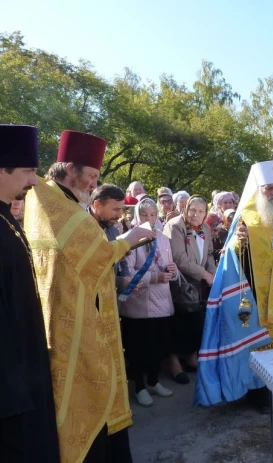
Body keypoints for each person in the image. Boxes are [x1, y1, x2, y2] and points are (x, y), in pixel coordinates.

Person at [24, 130, 156, 462]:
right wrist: (132, 238)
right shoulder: (59, 205)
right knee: (88, 391)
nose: (93, 183)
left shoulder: (53, 200)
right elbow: (97, 255)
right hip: (73, 320)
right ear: (71, 168)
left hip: (76, 308)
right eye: (92, 176)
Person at [195, 160, 273, 408]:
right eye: (269, 189)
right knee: (259, 340)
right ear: (259, 188)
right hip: (255, 291)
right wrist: (238, 241)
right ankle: (259, 391)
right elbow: (232, 252)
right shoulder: (246, 214)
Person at [0, 125, 60, 462]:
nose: (35, 181)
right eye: (28, 171)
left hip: (26, 371)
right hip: (10, 389)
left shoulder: (7, 218)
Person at [119, 198, 178, 407]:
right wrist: (154, 278)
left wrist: (173, 271)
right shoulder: (129, 239)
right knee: (138, 349)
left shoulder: (162, 238)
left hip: (161, 302)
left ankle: (153, 381)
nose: (149, 219)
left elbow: (170, 265)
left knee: (159, 346)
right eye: (144, 214)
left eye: (153, 214)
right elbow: (126, 272)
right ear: (137, 216)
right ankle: (139, 386)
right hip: (139, 305)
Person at [163, 195, 217, 384]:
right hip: (180, 281)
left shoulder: (206, 228)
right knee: (178, 320)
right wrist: (205, 275)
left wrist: (214, 274)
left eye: (201, 211)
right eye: (193, 210)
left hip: (199, 282)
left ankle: (191, 356)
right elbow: (178, 258)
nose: (196, 215)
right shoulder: (176, 225)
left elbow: (209, 254)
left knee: (195, 318)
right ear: (186, 209)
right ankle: (174, 361)